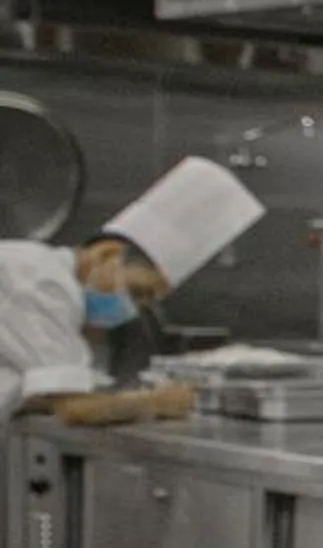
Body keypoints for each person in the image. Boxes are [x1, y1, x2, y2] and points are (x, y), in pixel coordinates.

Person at [0, 157, 262, 412]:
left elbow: (40, 394)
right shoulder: (42, 282)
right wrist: (157, 403)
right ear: (106, 255)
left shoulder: (43, 276)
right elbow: (73, 408)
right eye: (137, 293)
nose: (132, 309)